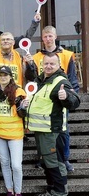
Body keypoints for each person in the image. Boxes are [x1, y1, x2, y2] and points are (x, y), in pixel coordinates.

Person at [24, 53, 80, 196]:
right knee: (47, 163)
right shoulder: (41, 80)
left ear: (58, 65)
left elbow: (75, 101)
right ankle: (51, 190)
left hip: (53, 132)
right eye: (46, 63)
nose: (48, 66)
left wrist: (66, 96)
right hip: (41, 130)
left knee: (56, 164)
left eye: (52, 64)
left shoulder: (60, 81)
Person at [25, 25, 80, 172]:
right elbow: (33, 79)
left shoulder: (67, 55)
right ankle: (42, 158)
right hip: (43, 101)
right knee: (41, 131)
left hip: (61, 98)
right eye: (45, 36)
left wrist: (70, 96)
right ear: (42, 39)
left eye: (50, 36)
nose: (48, 39)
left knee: (63, 131)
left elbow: (73, 78)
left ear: (55, 36)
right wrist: (29, 66)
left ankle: (64, 159)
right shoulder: (36, 58)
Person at [0, 66, 27, 196]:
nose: (3, 77)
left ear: (10, 76)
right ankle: (9, 191)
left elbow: (22, 114)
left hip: (15, 134)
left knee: (16, 165)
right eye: (0, 75)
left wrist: (23, 106)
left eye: (5, 75)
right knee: (4, 163)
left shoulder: (18, 91)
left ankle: (18, 192)